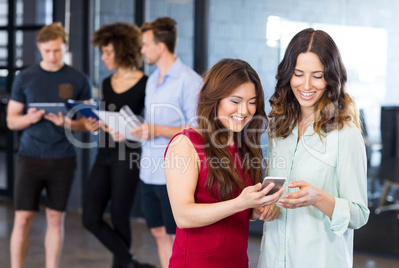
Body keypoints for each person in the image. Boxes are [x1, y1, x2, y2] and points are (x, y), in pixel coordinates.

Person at [258, 28, 370, 268]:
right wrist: (270, 205)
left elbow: (359, 214)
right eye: (298, 74)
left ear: (331, 78)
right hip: (273, 258)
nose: (306, 85)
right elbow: (276, 187)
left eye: (317, 76)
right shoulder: (279, 126)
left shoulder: (345, 135)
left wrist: (318, 198)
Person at [164, 58, 284, 268]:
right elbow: (183, 216)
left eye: (252, 102)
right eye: (235, 101)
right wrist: (241, 203)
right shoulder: (186, 144)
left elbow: (239, 212)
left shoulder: (245, 148)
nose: (244, 110)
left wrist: (258, 209)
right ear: (215, 99)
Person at [7, 22, 92, 268]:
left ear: (65, 46)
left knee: (56, 219)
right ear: (38, 48)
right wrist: (28, 118)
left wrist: (69, 123)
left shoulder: (78, 79)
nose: (52, 56)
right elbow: (12, 121)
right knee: (22, 219)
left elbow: (88, 123)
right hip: (30, 156)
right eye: (47, 51)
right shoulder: (24, 78)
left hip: (63, 158)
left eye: (57, 50)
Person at [129, 17, 202, 268]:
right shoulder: (151, 80)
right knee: (158, 232)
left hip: (173, 175)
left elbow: (199, 130)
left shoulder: (189, 81)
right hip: (148, 170)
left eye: (145, 44)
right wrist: (131, 131)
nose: (142, 50)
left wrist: (157, 130)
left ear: (160, 47)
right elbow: (150, 125)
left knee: (177, 237)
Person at [81, 22, 155, 268]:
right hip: (105, 155)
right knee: (90, 217)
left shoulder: (146, 83)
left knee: (120, 217)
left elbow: (150, 123)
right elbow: (108, 118)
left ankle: (122, 265)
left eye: (108, 52)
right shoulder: (105, 83)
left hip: (129, 157)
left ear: (123, 51)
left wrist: (134, 129)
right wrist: (95, 123)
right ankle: (131, 262)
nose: (103, 57)